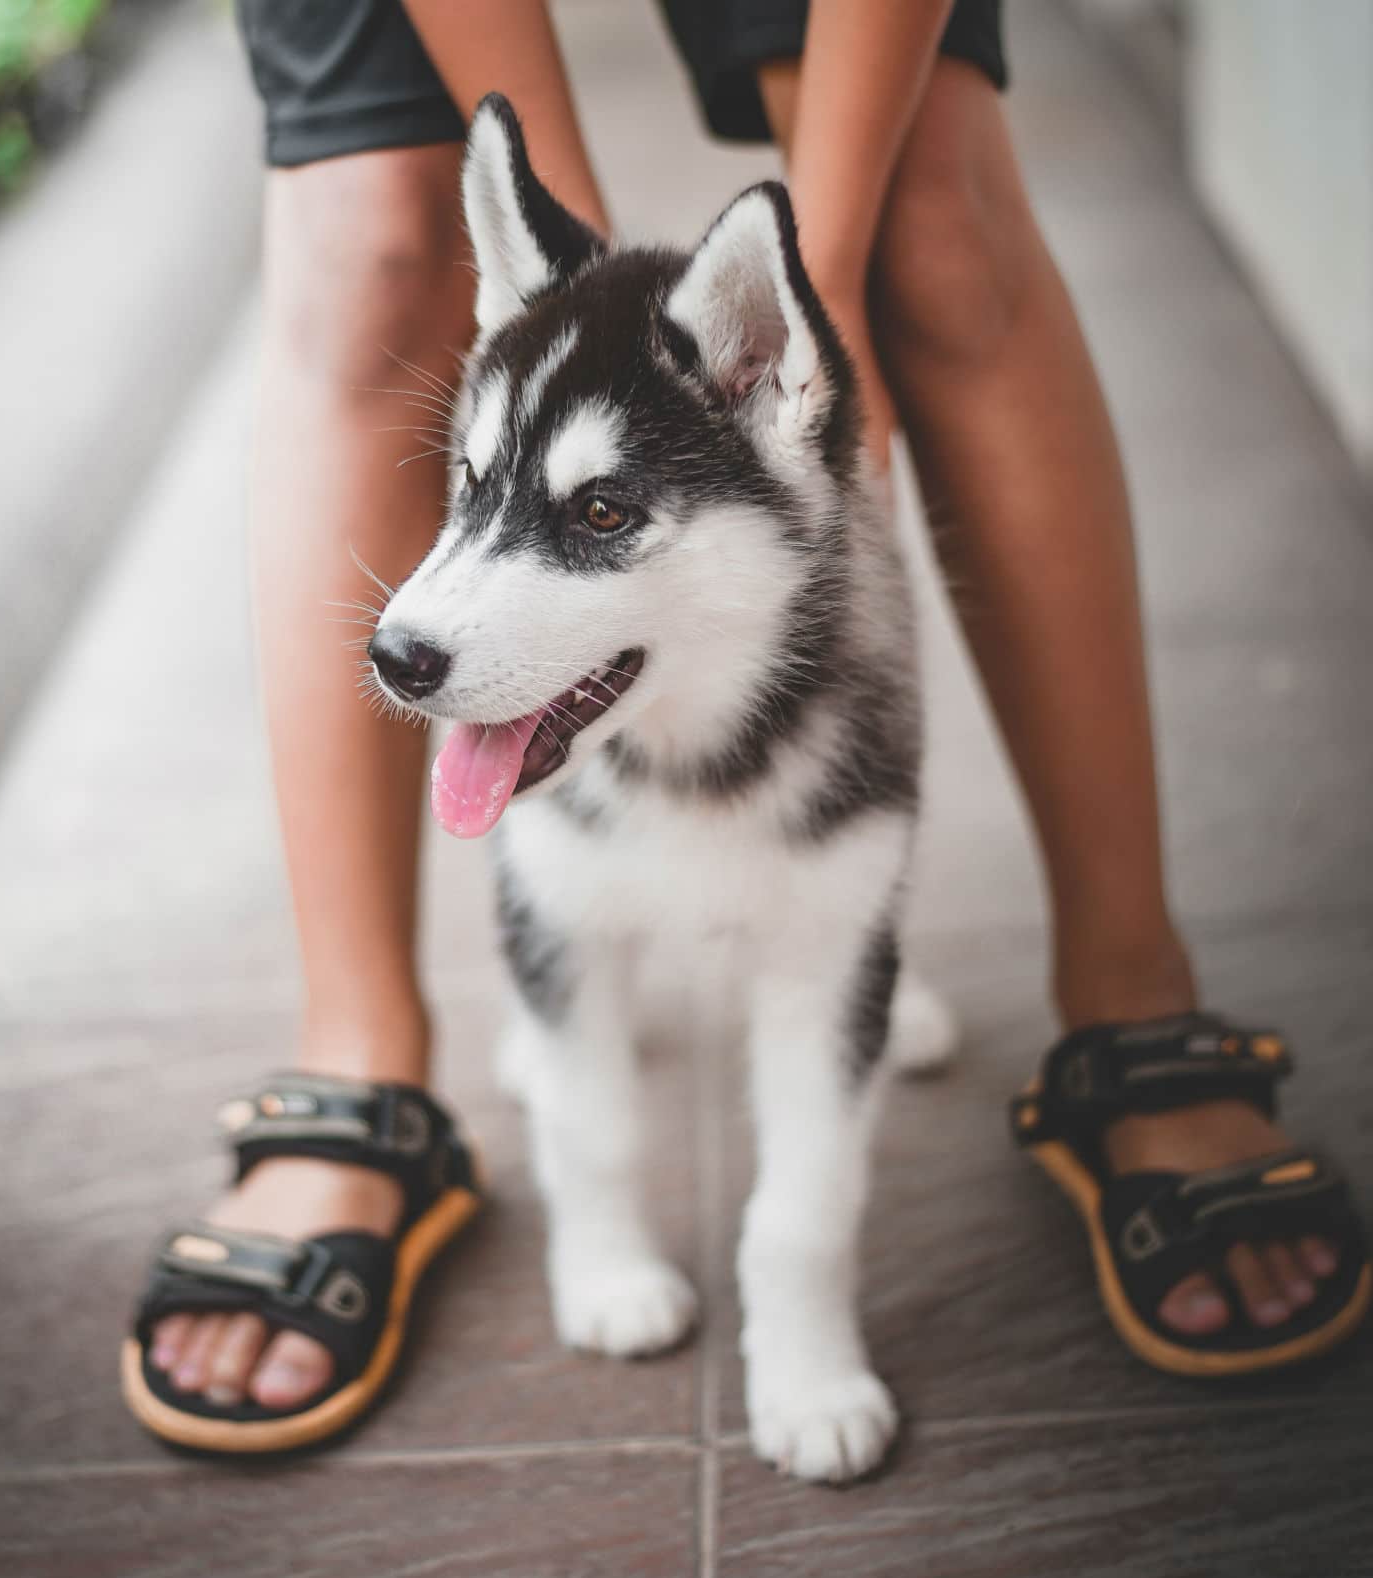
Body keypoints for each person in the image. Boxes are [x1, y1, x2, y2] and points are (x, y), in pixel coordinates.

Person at [122, 0, 1367, 1453]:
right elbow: (529, 247)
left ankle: (1133, 986)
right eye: (465, 498)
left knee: (936, 215)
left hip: (789, 610)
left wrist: (815, 295)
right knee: (366, 230)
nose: (425, 611)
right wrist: (561, 269)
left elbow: (794, 304)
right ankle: (359, 1046)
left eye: (597, 517)